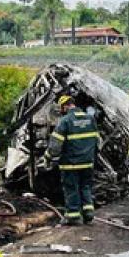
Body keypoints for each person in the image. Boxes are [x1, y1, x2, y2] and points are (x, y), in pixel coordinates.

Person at [45, 95, 100, 225]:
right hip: (87, 163)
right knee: (85, 187)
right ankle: (88, 213)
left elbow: (55, 146)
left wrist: (48, 157)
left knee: (71, 189)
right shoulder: (90, 118)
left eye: (61, 108)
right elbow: (97, 142)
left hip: (70, 164)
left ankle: (73, 216)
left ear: (64, 106)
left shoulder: (65, 121)